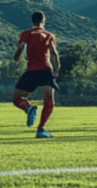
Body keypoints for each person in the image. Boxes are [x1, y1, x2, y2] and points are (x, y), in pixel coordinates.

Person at [12, 11, 61, 139]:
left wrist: (16, 58)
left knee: (17, 98)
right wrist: (56, 70)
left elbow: (21, 48)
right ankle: (41, 129)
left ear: (32, 20)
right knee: (49, 101)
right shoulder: (49, 35)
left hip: (32, 70)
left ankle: (28, 107)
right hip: (46, 70)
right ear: (43, 20)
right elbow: (55, 54)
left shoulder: (25, 34)